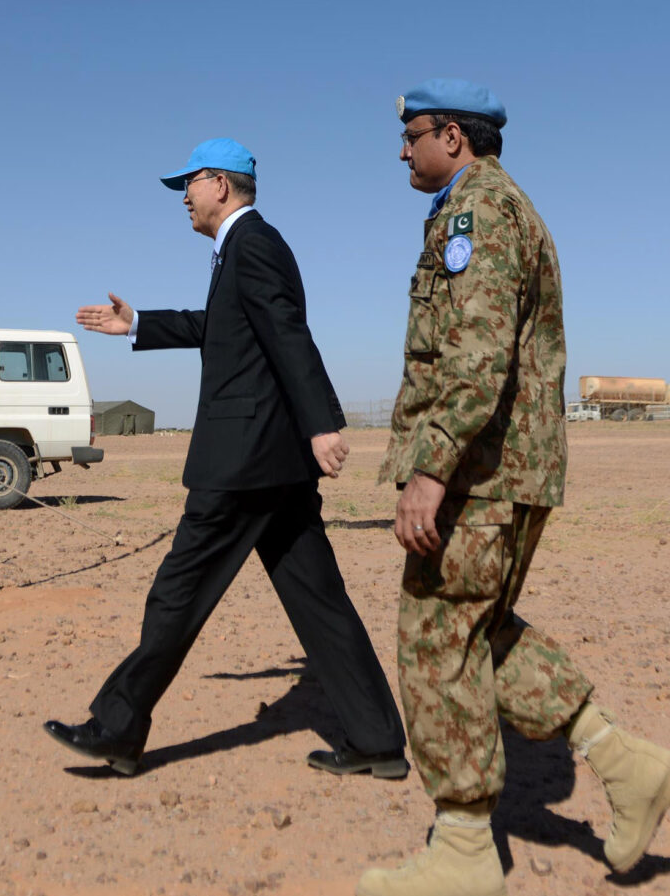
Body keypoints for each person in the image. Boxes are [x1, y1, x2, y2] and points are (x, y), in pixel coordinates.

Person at [357, 82, 670, 896]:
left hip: (481, 473)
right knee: (479, 631)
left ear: (454, 137)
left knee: (435, 637)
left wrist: (431, 467)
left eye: (411, 134)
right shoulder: (481, 208)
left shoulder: (480, 215)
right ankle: (625, 763)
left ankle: (465, 846)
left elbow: (477, 354)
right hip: (502, 468)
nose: (402, 149)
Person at [45, 138, 406, 778]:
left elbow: (288, 334)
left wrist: (322, 426)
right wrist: (136, 325)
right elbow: (223, 326)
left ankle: (118, 729)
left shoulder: (254, 244)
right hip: (274, 466)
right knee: (320, 602)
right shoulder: (239, 248)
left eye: (188, 184)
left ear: (220, 184)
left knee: (176, 596)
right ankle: (376, 738)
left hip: (242, 466)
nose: (183, 198)